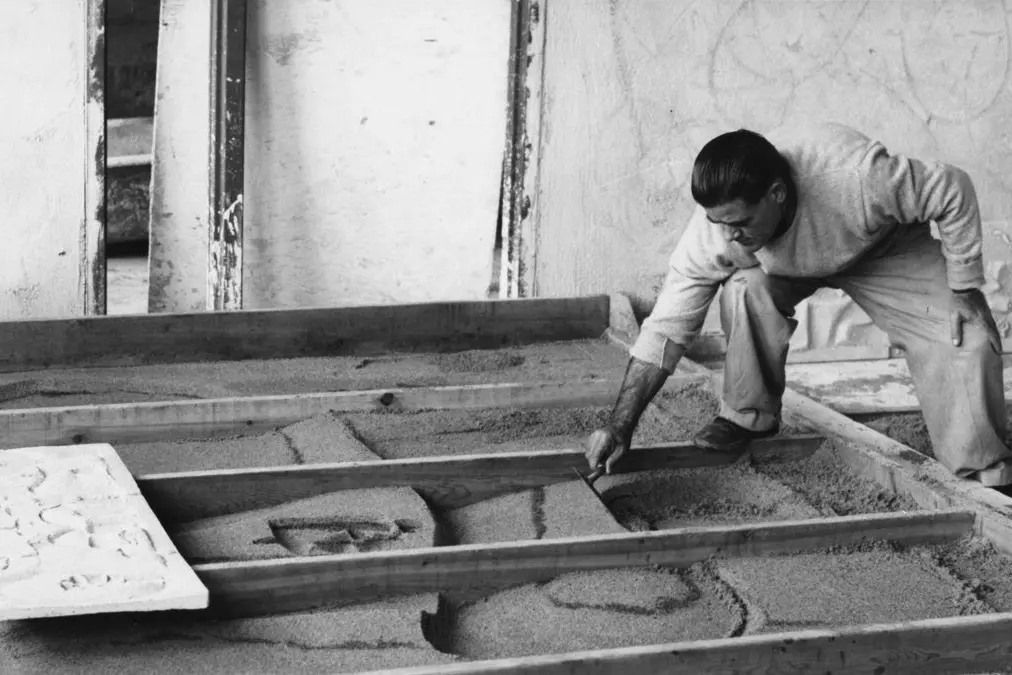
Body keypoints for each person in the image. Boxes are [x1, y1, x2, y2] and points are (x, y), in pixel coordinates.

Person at [585, 122, 1012, 493]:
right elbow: (665, 330)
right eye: (720, 224)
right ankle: (747, 415)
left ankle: (984, 476)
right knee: (743, 287)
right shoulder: (717, 232)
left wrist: (965, 285)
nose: (729, 235)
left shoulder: (859, 177)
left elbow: (953, 188)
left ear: (776, 194)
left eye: (740, 223)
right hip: (785, 265)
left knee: (965, 334)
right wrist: (620, 425)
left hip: (883, 247)